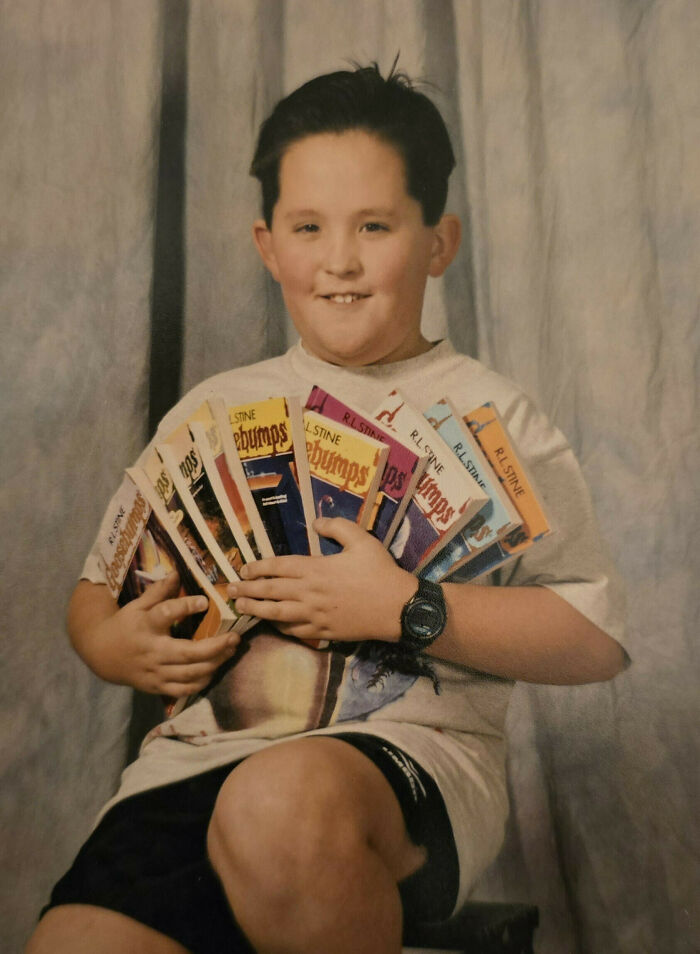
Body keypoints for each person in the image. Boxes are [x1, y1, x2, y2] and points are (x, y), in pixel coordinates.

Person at [27, 63, 628, 954]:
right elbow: (96, 593)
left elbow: (591, 641)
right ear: (269, 246)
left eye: (375, 226)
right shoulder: (212, 411)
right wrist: (110, 644)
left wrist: (405, 609)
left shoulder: (493, 421)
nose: (339, 260)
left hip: (401, 770)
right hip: (194, 766)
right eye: (310, 228)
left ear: (438, 242)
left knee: (277, 807)